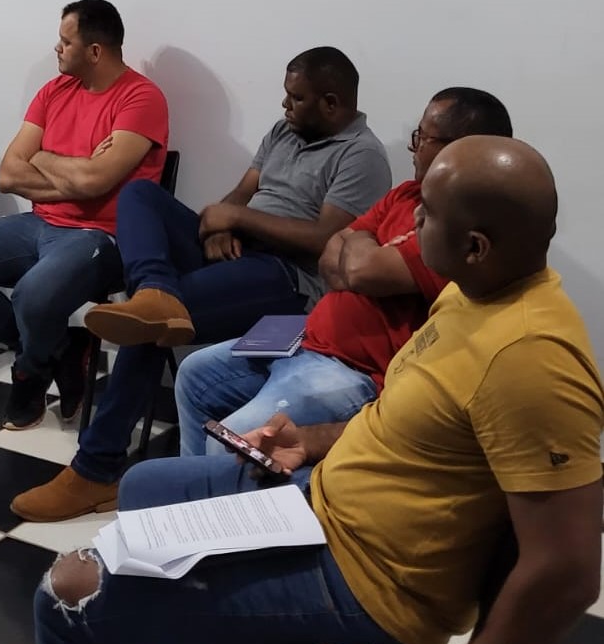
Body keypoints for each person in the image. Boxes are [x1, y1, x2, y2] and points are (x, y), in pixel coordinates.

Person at [33, 136, 603, 644]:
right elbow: (409, 418)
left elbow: (567, 574)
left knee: (65, 596)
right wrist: (313, 439)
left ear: (475, 246)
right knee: (146, 485)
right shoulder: (470, 292)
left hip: (368, 584)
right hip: (321, 505)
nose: (411, 221)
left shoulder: (530, 359)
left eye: (428, 213)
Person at [12, 46, 392, 521]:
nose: (285, 105)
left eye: (296, 98)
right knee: (140, 195)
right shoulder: (284, 132)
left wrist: (236, 219)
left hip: (288, 279)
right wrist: (219, 226)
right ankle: (153, 290)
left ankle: (96, 469)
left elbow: (325, 240)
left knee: (154, 326)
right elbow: (241, 194)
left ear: (331, 104)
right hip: (237, 252)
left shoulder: (362, 155)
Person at [176, 87, 513, 456]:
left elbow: (362, 270)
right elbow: (331, 254)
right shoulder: (405, 194)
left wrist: (358, 251)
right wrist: (360, 255)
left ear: (461, 150)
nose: (413, 147)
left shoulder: (459, 230)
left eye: (423, 137)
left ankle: (214, 489)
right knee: (194, 373)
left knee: (233, 442)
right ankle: (189, 485)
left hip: (353, 371)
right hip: (304, 340)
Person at [0, 0, 169, 430]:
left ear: (95, 51)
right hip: (40, 222)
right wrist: (75, 171)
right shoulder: (54, 91)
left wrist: (44, 158)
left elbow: (95, 182)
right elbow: (9, 174)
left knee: (32, 296)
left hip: (102, 236)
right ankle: (59, 349)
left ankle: (29, 373)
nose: (57, 48)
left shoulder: (141, 98)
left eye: (66, 41)